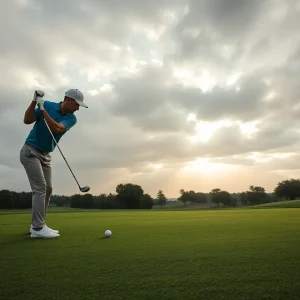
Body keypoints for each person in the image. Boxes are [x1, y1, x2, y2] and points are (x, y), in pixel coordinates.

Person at [20, 89, 88, 238]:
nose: (78, 109)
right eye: (77, 105)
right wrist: (34, 102)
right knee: (40, 188)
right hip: (30, 151)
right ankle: (38, 229)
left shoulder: (71, 118)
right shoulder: (48, 105)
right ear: (68, 100)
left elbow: (57, 128)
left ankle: (38, 225)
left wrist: (43, 110)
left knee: (48, 188)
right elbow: (27, 120)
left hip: (46, 155)